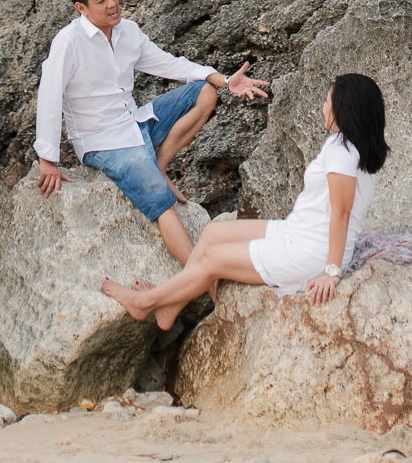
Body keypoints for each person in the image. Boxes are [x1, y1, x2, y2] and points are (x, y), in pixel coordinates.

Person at [103, 72, 389, 328]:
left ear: (344, 108)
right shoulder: (352, 147)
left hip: (311, 251)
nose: (324, 107)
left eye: (328, 101)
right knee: (214, 232)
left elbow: (341, 212)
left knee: (212, 258)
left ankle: (145, 303)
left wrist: (332, 272)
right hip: (298, 231)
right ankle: (170, 309)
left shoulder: (342, 151)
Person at [35, 0, 269, 261]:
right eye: (101, 0)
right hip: (104, 142)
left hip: (136, 123)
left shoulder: (127, 31)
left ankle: (160, 162)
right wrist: (47, 159)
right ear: (81, 8)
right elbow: (49, 95)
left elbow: (170, 64)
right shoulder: (68, 42)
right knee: (163, 202)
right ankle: (204, 276)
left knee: (204, 92)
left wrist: (223, 80)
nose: (112, 4)